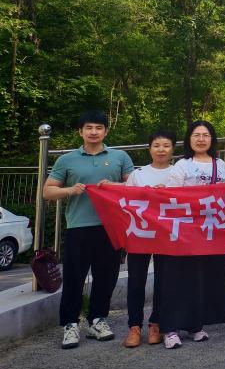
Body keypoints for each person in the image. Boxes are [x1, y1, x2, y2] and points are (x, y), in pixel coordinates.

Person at [43, 111, 134, 349]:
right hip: (78, 227)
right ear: (80, 132)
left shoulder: (120, 157)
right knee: (74, 277)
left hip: (111, 227)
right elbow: (47, 191)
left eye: (98, 128)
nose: (94, 132)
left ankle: (97, 320)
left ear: (106, 131)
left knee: (106, 276)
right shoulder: (67, 160)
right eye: (89, 128)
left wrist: (114, 185)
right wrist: (69, 190)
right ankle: (70, 324)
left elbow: (134, 187)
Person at [161, 120, 225, 349]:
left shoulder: (220, 164)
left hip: (211, 231)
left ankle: (195, 324)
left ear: (212, 139)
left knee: (202, 279)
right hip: (185, 231)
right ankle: (170, 328)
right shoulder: (181, 166)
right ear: (189, 139)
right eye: (196, 135)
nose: (201, 139)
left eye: (206, 135)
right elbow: (171, 198)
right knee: (178, 279)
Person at [122, 129, 177, 348]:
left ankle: (156, 323)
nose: (161, 149)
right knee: (136, 280)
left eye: (166, 145)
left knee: (164, 280)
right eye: (156, 145)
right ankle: (134, 326)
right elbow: (126, 200)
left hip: (167, 234)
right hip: (140, 233)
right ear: (149, 149)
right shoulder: (138, 174)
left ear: (173, 149)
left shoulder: (178, 174)